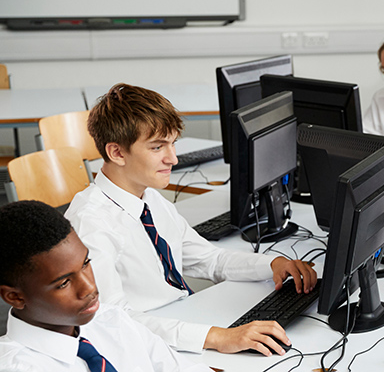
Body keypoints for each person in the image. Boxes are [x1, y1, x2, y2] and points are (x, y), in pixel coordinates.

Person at [64, 83, 318, 355]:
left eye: (173, 144)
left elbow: (209, 259)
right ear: (117, 153)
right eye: (157, 147)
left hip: (181, 321)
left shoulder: (149, 198)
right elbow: (112, 320)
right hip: (147, 346)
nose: (172, 158)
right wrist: (216, 337)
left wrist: (273, 264)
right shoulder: (90, 224)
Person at [0, 200, 211, 371]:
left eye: (85, 263)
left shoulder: (111, 320)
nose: (89, 288)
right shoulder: (17, 367)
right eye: (64, 283)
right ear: (14, 297)